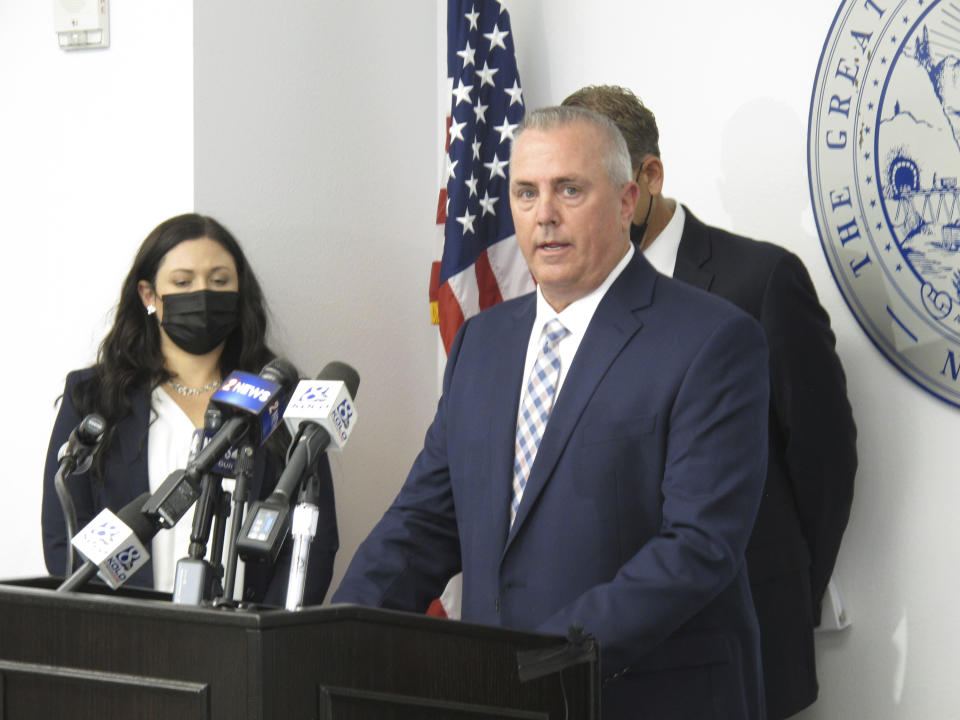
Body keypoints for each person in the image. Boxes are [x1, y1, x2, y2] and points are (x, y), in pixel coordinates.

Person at [334, 107, 770, 719]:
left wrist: (539, 660)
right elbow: (426, 522)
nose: (545, 215)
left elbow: (699, 547)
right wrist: (331, 638)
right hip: (500, 701)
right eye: (526, 192)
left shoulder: (712, 340)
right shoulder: (481, 343)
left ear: (625, 202)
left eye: (570, 189)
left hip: (644, 696)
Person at [562, 85, 858, 719]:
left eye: (583, 187)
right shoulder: (570, 296)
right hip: (610, 663)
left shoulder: (763, 279)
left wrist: (785, 596)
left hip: (744, 650)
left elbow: (824, 464)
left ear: (647, 176)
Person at [41, 213, 338, 606]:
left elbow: (313, 543)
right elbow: (64, 537)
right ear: (149, 296)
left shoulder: (282, 399)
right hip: (124, 634)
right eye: (183, 282)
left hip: (247, 640)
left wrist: (263, 629)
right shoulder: (94, 397)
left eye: (219, 282)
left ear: (237, 294)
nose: (202, 294)